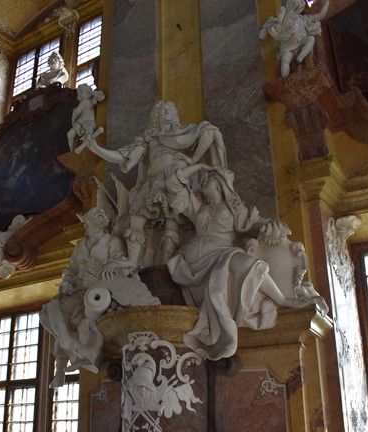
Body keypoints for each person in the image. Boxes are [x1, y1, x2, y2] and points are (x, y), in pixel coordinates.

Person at [165, 164, 307, 360]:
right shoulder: (198, 208)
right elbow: (173, 184)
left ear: (218, 184)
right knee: (237, 264)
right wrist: (199, 166)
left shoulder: (234, 210)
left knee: (251, 265)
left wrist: (270, 225)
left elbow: (257, 224)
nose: (202, 184)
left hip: (222, 253)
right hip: (193, 259)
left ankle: (281, 299)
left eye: (207, 181)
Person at [86, 101, 227, 265]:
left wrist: (193, 160)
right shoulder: (149, 139)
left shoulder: (182, 133)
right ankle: (132, 261)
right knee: (137, 218)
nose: (165, 113)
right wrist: (96, 149)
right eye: (161, 111)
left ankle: (167, 262)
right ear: (155, 116)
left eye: (169, 110)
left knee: (172, 219)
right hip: (153, 183)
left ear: (174, 115)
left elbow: (209, 132)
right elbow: (124, 156)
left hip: (177, 178)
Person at [40, 207, 129, 388]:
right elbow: (71, 269)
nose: (86, 227)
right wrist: (67, 282)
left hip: (100, 290)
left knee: (78, 318)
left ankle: (67, 360)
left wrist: (110, 267)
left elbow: (124, 264)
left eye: (86, 224)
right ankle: (68, 353)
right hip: (77, 290)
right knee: (51, 309)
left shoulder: (112, 241)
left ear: (89, 223)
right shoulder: (81, 245)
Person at [260, 0, 330, 77]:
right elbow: (275, 24)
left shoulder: (303, 19)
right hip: (288, 48)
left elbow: (320, 15)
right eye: (297, 6)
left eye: (300, 6)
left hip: (301, 43)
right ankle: (285, 79)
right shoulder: (285, 18)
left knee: (311, 39)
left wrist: (327, 2)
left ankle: (301, 56)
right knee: (285, 60)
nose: (299, 8)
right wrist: (266, 29)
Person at [67, 84, 105, 152]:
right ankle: (73, 151)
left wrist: (73, 120)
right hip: (82, 124)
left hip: (87, 123)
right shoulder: (90, 101)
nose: (79, 95)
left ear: (87, 92)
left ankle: (72, 150)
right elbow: (96, 100)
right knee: (70, 134)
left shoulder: (85, 102)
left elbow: (77, 112)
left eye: (80, 92)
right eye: (78, 93)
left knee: (70, 134)